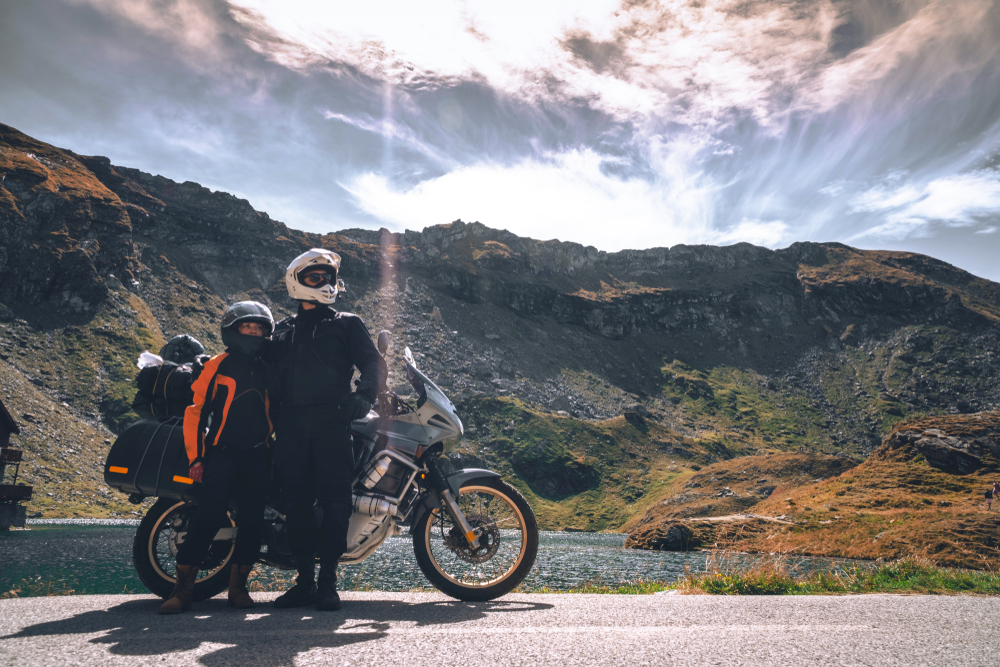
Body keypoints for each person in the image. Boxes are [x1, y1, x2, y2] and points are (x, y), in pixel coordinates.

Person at [267, 248, 387, 611]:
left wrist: (365, 396)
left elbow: (373, 362)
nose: (325, 283)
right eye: (315, 277)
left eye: (329, 277)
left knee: (337, 502)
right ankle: (304, 581)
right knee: (297, 502)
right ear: (296, 280)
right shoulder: (282, 331)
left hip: (332, 422)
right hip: (290, 425)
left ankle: (328, 583)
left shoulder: (347, 323)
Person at [158, 301, 276, 615]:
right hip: (222, 454)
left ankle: (238, 590)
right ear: (233, 330)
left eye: (259, 328)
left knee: (252, 523)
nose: (254, 332)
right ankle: (181, 591)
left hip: (258, 455)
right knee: (208, 518)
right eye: (247, 327)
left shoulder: (268, 368)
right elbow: (196, 412)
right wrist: (197, 457)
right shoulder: (218, 364)